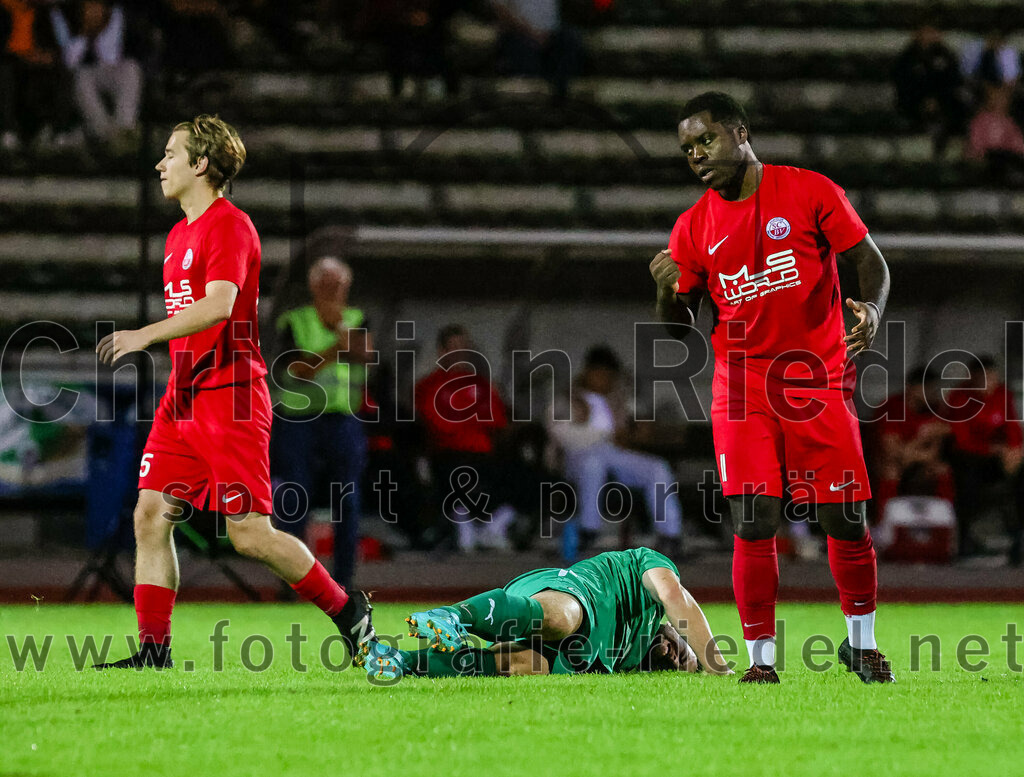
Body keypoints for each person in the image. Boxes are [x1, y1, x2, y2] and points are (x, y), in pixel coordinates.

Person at [94, 115, 374, 669]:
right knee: (150, 513)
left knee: (248, 535)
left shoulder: (230, 226)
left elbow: (220, 307)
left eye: (171, 154)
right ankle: (154, 649)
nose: (161, 164)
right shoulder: (178, 235)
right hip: (185, 397)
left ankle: (348, 611)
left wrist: (143, 335)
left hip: (231, 396)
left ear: (201, 164)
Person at [648, 92, 894, 684]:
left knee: (846, 517)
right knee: (754, 518)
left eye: (705, 140)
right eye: (687, 149)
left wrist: (874, 312)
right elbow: (677, 328)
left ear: (740, 132)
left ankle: (860, 643)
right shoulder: (692, 226)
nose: (697, 156)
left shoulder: (810, 191)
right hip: (743, 386)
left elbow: (871, 264)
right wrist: (663, 290)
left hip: (818, 380)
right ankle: (761, 662)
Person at [354, 547, 733, 681]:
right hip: (568, 591)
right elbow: (674, 594)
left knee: (528, 664)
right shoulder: (648, 571)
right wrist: (716, 665)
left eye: (672, 666)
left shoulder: (626, 658)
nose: (673, 656)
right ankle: (454, 615)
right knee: (563, 618)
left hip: (574, 645)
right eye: (684, 652)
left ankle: (400, 661)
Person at [271, 256, 373, 588]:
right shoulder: (294, 320)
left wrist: (342, 334)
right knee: (294, 496)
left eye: (338, 284)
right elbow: (295, 370)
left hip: (342, 419)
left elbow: (366, 354)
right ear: (314, 286)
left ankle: (344, 583)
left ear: (348, 285)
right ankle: (293, 580)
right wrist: (334, 348)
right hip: (298, 420)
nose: (332, 290)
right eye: (325, 284)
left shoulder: (357, 319)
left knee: (347, 497)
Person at [545, 344, 684, 562]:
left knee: (657, 467)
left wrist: (635, 432)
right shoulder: (568, 398)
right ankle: (588, 532)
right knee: (594, 462)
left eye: (609, 375)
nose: (605, 379)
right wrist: (606, 436)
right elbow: (562, 435)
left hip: (614, 456)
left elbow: (640, 428)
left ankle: (670, 536)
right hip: (577, 458)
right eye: (600, 374)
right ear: (588, 372)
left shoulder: (619, 399)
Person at [414, 324, 513, 552]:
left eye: (464, 347)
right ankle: (466, 525)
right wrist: (472, 418)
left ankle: (491, 528)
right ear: (442, 352)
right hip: (449, 453)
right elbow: (441, 426)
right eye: (454, 347)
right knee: (460, 472)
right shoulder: (428, 386)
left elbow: (498, 423)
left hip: (484, 453)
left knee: (524, 475)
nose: (461, 353)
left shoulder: (483, 385)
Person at [946, 356, 1023, 561]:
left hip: (997, 461)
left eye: (991, 377)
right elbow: (962, 440)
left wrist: (1013, 451)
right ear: (972, 378)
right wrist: (994, 450)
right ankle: (965, 541)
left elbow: (1013, 430)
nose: (988, 383)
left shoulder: (1002, 395)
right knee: (965, 481)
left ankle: (1018, 539)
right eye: (983, 378)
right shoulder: (959, 397)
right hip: (969, 459)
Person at [49, 0, 142, 148]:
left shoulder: (118, 14)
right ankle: (105, 134)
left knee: (131, 68)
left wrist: (102, 26)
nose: (93, 11)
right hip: (85, 73)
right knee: (81, 77)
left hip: (113, 69)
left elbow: (111, 56)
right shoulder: (63, 14)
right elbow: (70, 62)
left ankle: (124, 130)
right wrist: (86, 32)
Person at [891, 19, 968, 159]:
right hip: (914, 103)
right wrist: (923, 100)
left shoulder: (947, 56)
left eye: (932, 31)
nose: (928, 35)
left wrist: (938, 100)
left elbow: (954, 82)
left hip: (943, 103)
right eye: (925, 31)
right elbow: (903, 84)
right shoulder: (906, 58)